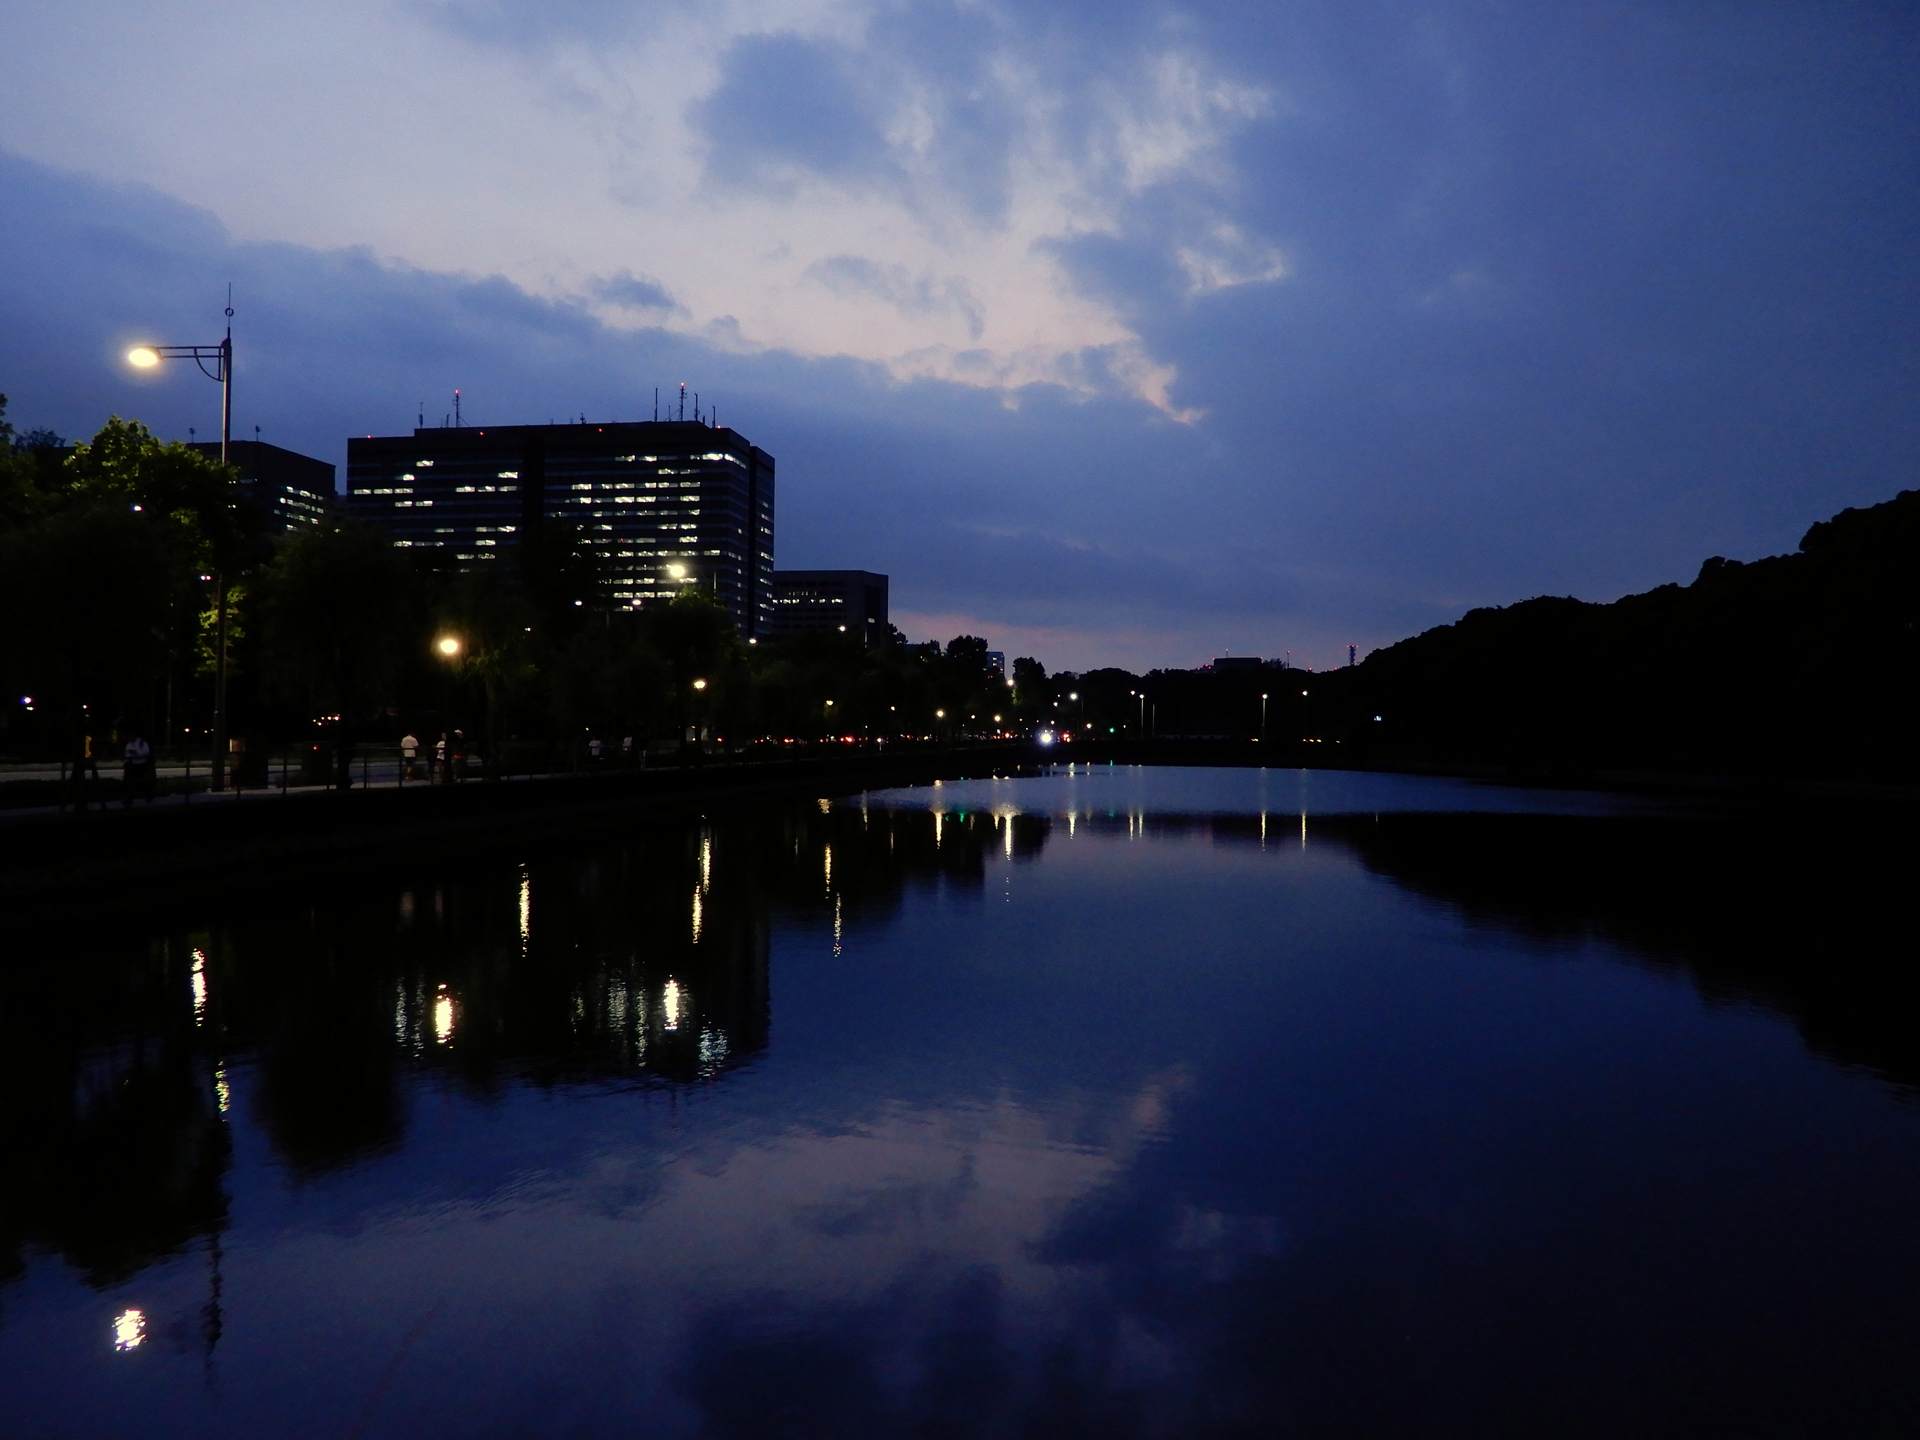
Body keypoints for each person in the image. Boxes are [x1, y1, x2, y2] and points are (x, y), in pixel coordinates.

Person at [122, 733, 155, 806]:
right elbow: (132, 751)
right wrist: (139, 755)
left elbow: (134, 752)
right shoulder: (131, 743)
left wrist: (137, 754)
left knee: (137, 782)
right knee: (130, 782)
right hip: (133, 764)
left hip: (137, 764)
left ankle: (147, 795)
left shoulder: (141, 743)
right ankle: (129, 799)